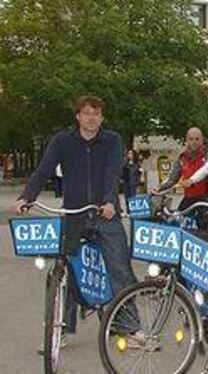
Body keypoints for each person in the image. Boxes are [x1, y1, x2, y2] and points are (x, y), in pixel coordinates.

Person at [10, 95, 137, 345]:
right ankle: (61, 328)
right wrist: (26, 198)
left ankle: (128, 328)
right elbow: (44, 170)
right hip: (74, 214)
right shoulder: (62, 141)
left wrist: (110, 202)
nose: (91, 118)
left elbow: (112, 173)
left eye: (96, 113)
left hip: (105, 213)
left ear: (102, 117)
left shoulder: (112, 141)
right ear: (77, 116)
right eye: (86, 113)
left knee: (120, 267)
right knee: (65, 268)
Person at [154, 127, 208, 210]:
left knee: (203, 220)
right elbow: (172, 179)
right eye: (191, 139)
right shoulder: (182, 157)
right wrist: (160, 187)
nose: (194, 142)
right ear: (186, 140)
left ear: (202, 140)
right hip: (189, 198)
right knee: (176, 218)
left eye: (197, 139)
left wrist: (191, 180)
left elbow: (206, 169)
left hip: (207, 198)